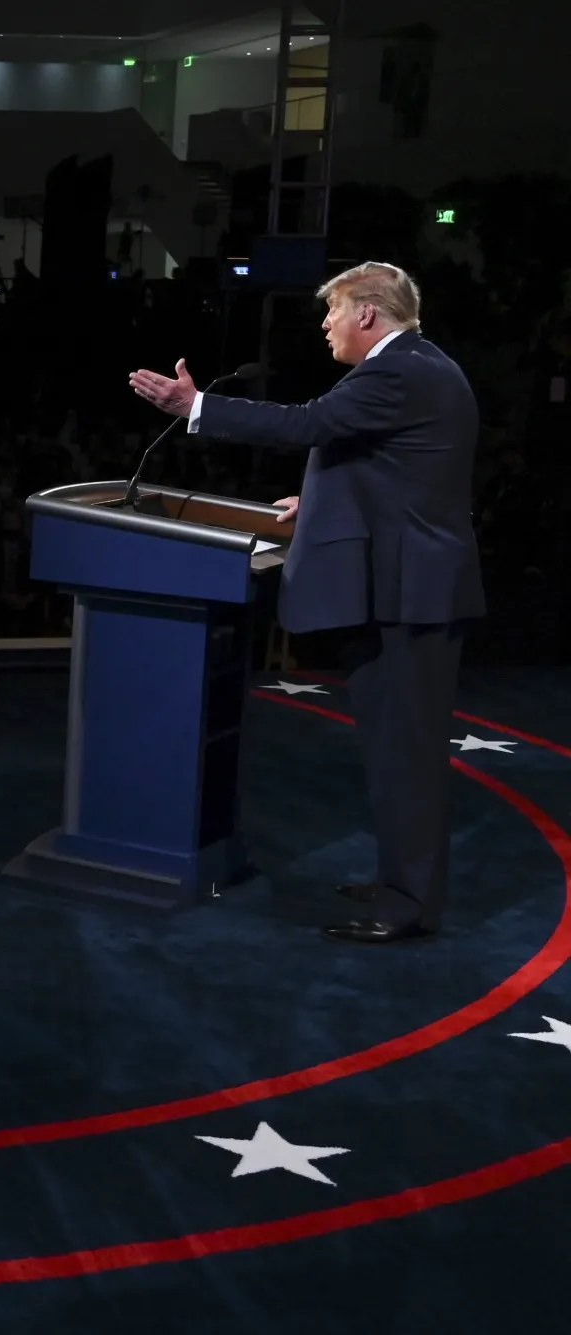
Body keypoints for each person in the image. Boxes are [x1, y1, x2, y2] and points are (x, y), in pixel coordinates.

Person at [130, 261, 484, 946]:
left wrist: (194, 406)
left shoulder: (397, 370)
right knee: (394, 752)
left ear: (368, 315)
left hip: (410, 595)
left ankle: (410, 902)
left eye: (333, 312)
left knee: (405, 755)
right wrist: (316, 502)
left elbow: (310, 424)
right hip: (406, 586)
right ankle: (400, 881)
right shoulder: (419, 365)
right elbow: (394, 470)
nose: (325, 325)